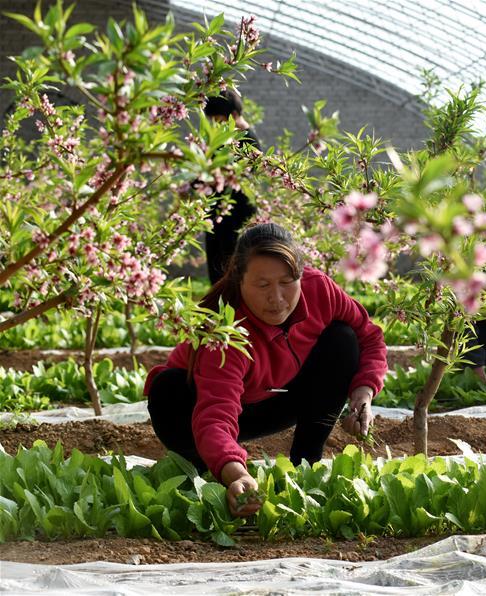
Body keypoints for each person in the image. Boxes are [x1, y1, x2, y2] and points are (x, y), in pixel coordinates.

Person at [144, 223, 387, 517]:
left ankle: (306, 466)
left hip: (276, 398)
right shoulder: (225, 331)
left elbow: (369, 336)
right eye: (263, 285)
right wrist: (236, 473)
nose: (277, 298)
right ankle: (198, 465)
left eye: (287, 282)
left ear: (300, 274)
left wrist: (363, 393)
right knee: (167, 389)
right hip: (194, 411)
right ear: (239, 281)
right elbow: (215, 414)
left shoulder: (319, 289)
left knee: (343, 339)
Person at [203, 89, 261, 284]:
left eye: (219, 121)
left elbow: (239, 177)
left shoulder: (247, 140)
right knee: (218, 272)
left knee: (232, 272)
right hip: (217, 215)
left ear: (234, 115)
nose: (216, 126)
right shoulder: (225, 138)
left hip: (235, 217)